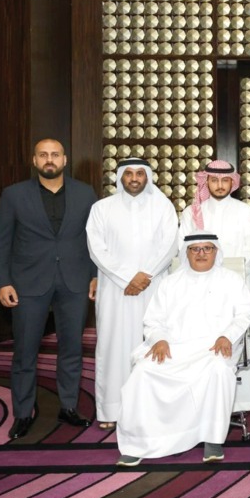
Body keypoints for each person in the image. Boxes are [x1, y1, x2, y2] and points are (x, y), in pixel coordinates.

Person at [116, 233, 250, 466]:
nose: (201, 254)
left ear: (216, 252)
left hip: (214, 347)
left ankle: (212, 439)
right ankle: (139, 442)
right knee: (143, 372)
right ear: (187, 253)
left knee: (218, 371)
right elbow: (153, 321)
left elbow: (245, 315)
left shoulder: (231, 280)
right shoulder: (170, 283)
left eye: (207, 249)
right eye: (195, 249)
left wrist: (227, 336)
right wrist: (158, 339)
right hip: (174, 347)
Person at [0, 139, 97, 439]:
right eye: (43, 155)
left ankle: (68, 406)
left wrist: (94, 275)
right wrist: (2, 282)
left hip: (74, 282)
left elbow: (94, 239)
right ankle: (23, 413)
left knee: (72, 349)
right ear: (34, 160)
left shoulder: (85, 193)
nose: (49, 160)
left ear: (65, 160)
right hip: (27, 284)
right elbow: (0, 243)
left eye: (54, 155)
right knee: (24, 352)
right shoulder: (13, 195)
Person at [86, 158, 178, 429]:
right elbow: (96, 248)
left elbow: (169, 244)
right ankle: (111, 410)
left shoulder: (163, 207)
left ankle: (154, 410)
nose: (135, 178)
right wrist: (129, 277)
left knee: (155, 343)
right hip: (116, 290)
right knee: (114, 346)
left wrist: (144, 275)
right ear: (120, 178)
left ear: (148, 177)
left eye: (140, 173)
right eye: (129, 174)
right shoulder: (102, 209)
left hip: (154, 287)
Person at [178, 159, 250, 298]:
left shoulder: (246, 212)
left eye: (225, 180)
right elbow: (182, 248)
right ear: (206, 182)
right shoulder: (191, 212)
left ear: (232, 182)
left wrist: (227, 277)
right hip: (200, 284)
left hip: (237, 283)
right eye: (214, 180)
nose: (220, 185)